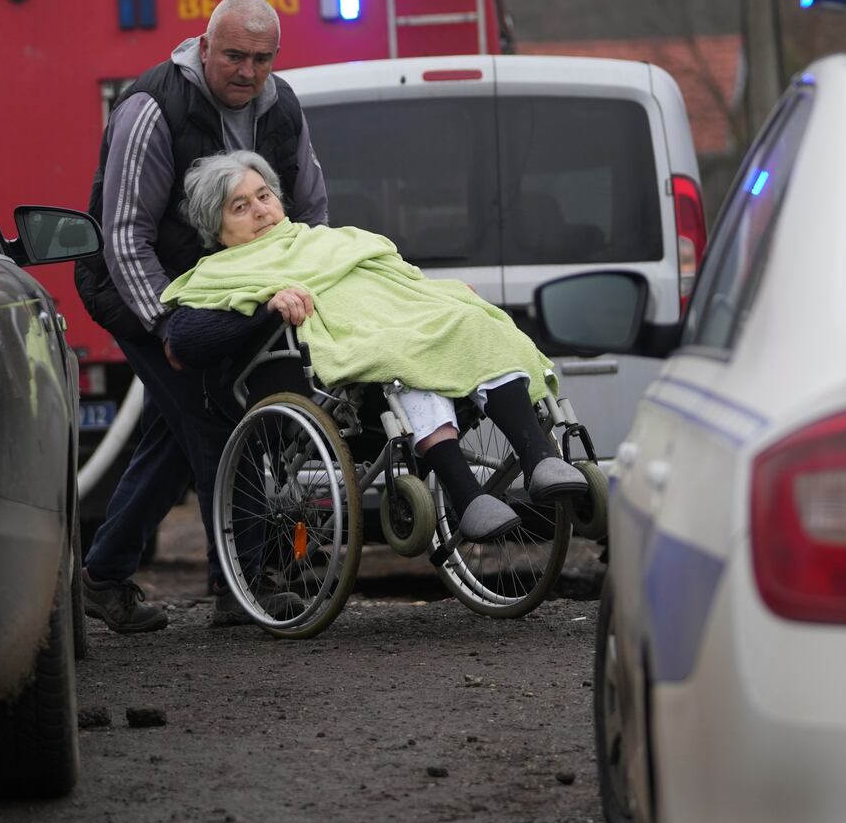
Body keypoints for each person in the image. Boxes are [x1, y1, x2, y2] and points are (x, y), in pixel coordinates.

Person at [161, 151, 589, 544]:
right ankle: (466, 494)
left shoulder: (333, 241)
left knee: (474, 319)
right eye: (240, 207)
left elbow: (401, 282)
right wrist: (266, 307)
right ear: (215, 227)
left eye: (264, 195)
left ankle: (538, 458)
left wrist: (445, 292)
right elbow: (183, 340)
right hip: (349, 364)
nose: (260, 210)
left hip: (399, 325)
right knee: (403, 354)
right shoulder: (219, 273)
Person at [73, 0, 329, 632]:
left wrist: (318, 274)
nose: (248, 72)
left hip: (224, 291)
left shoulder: (282, 105)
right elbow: (124, 235)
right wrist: (169, 330)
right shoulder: (152, 107)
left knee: (174, 437)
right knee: (213, 416)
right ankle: (241, 588)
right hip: (136, 291)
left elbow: (311, 207)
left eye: (262, 59)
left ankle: (100, 579)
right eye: (236, 55)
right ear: (205, 46)